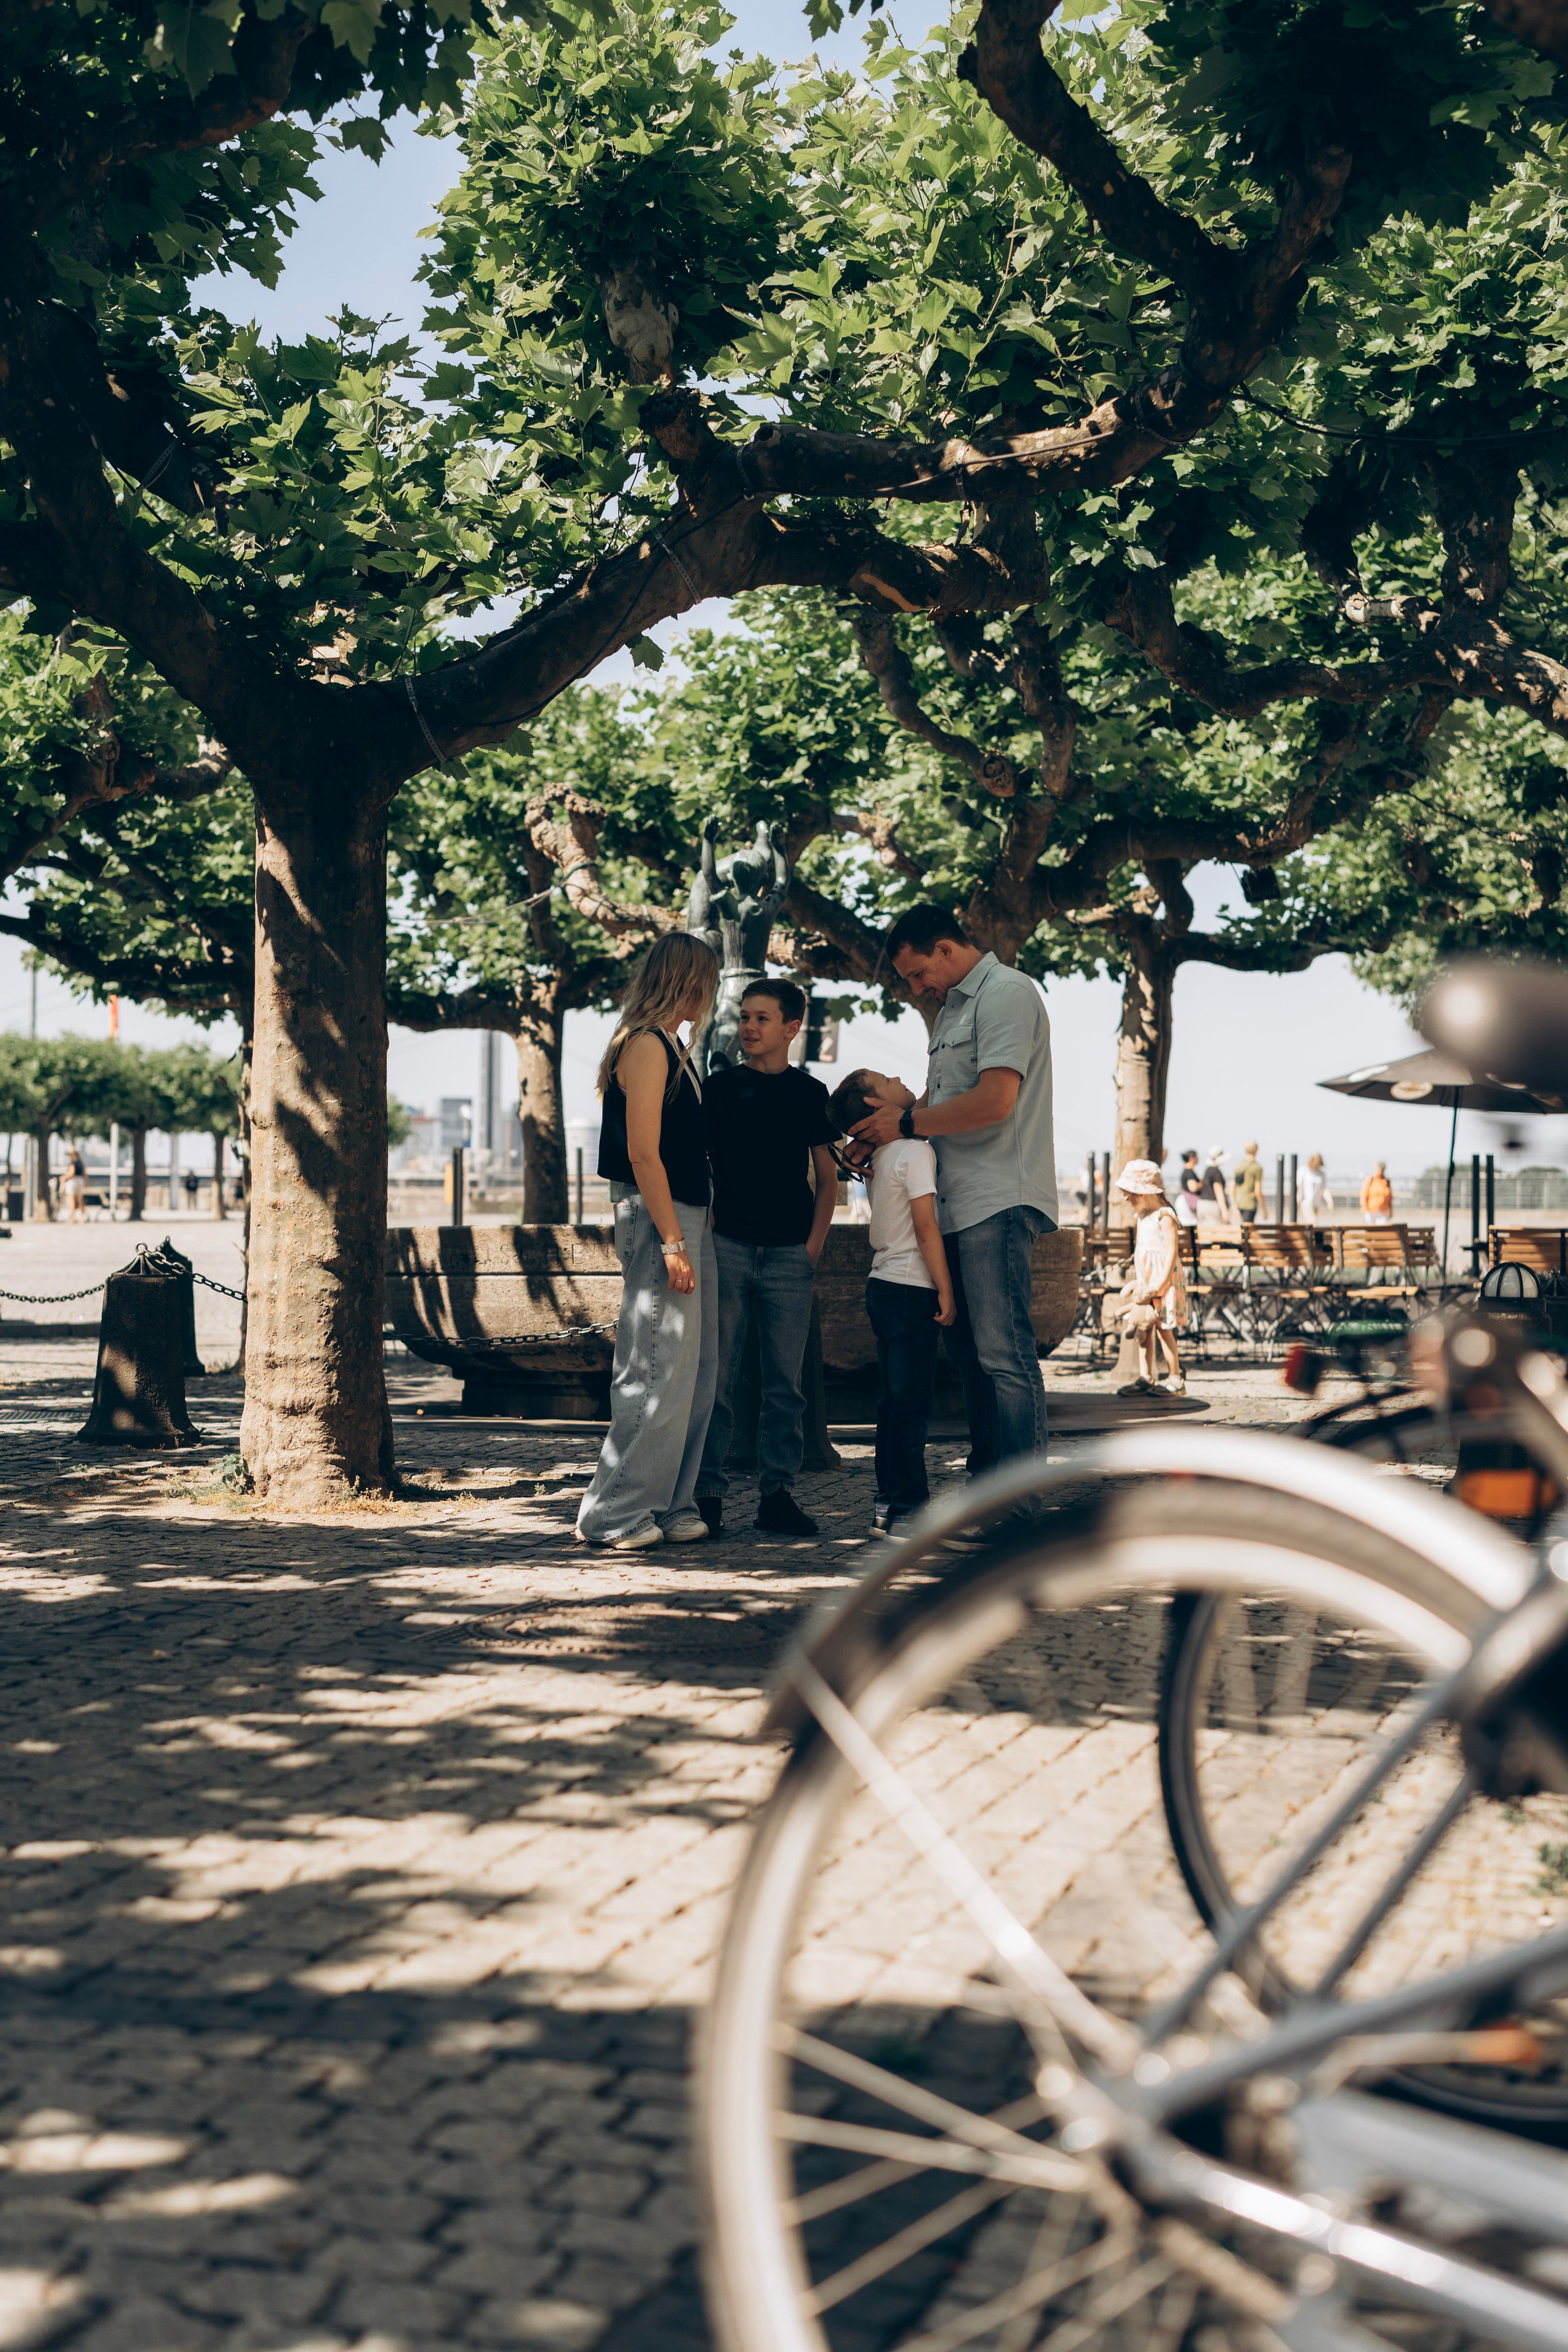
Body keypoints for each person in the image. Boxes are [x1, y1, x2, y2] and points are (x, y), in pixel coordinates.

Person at [850, 906, 1056, 1490]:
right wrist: (883, 1145)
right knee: (974, 1364)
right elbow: (936, 1125)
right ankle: (987, 1495)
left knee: (1004, 1359)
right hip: (957, 1206)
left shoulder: (1006, 993)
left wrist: (906, 1123)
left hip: (997, 1200)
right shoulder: (951, 1012)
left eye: (917, 975)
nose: (916, 989)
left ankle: (1017, 1508)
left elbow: (994, 1103)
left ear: (944, 949)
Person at [576, 933, 721, 1553]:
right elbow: (643, 1153)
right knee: (657, 1368)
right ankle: (613, 1512)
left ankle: (668, 1501)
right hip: (663, 1217)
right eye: (706, 979)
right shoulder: (644, 1045)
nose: (712, 991)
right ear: (688, 980)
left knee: (695, 1373)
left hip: (686, 1215)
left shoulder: (672, 1048)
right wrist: (671, 1241)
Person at [695, 978, 837, 1539]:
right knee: (719, 1378)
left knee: (786, 1385)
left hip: (788, 1257)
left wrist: (813, 1246)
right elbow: (696, 1166)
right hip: (727, 1248)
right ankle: (707, 1497)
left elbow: (828, 1179)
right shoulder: (721, 1088)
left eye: (761, 1019)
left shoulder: (810, 1093)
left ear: (791, 1028)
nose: (748, 1028)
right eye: (744, 1017)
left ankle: (777, 1496)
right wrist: (708, 1229)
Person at [828, 1068, 956, 1537]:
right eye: (886, 1080)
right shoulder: (916, 1152)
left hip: (882, 1285)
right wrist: (945, 1288)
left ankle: (888, 1506)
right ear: (877, 1107)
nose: (900, 1077)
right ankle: (907, 1511)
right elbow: (926, 1227)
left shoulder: (883, 1155)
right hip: (910, 1288)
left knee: (893, 1403)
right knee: (910, 1405)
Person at [1112, 1159, 1188, 1398]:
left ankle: (1175, 1377)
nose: (1127, 1198)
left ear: (1145, 1193)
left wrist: (1161, 1284)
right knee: (1144, 1329)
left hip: (1163, 1284)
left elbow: (1171, 1252)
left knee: (1164, 1329)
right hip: (1146, 1285)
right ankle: (1147, 1376)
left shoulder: (1165, 1216)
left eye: (1130, 1194)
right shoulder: (1142, 1217)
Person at [1232, 1140, 1264, 1226]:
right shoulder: (1257, 1167)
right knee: (1248, 1231)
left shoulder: (1239, 1165)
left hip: (1239, 1202)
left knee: (1241, 1230)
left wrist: (1234, 1206)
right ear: (1256, 1150)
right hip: (1250, 1203)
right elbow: (1258, 1192)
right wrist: (1264, 1209)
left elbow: (1232, 1188)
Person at [1196, 1145, 1230, 1226]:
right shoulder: (1216, 1172)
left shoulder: (1207, 1170)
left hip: (1202, 1204)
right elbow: (1219, 1192)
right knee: (1218, 1232)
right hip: (1212, 1205)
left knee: (1207, 1232)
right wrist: (1224, 1210)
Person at [1172, 1150, 1200, 1229]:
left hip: (1185, 1202)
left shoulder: (1185, 1171)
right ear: (1192, 1158)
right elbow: (1193, 1188)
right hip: (1188, 1204)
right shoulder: (1189, 1172)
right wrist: (1201, 1184)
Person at [1302, 1153, 1334, 1222]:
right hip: (1307, 1203)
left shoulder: (1321, 1174)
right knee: (1313, 1222)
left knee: (1313, 1225)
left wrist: (1330, 1201)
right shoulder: (1305, 1171)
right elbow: (1299, 1187)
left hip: (1317, 1204)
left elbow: (1324, 1189)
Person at [1361, 1160, 1393, 1224]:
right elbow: (1364, 1195)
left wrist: (1391, 1210)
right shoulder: (1371, 1180)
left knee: (1381, 1231)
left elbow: (1390, 1198)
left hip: (1383, 1211)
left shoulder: (1386, 1182)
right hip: (1371, 1211)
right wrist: (1365, 1208)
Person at [63, 1144, 87, 1224]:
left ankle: (72, 1218)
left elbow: (71, 1173)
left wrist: (63, 1178)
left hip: (73, 1181)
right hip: (81, 1181)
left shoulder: (72, 1163)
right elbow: (85, 1173)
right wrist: (86, 1184)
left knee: (72, 1200)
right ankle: (82, 1217)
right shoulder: (81, 1162)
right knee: (80, 1200)